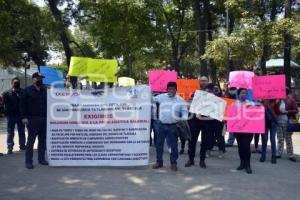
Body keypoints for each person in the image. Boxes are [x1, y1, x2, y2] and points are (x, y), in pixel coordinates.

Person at [152, 82, 188, 171]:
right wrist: (147, 90)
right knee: (159, 144)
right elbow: (151, 99)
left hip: (174, 126)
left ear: (176, 89)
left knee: (173, 146)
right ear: (167, 89)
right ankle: (159, 162)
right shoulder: (161, 97)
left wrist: (182, 120)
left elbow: (185, 112)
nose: (171, 90)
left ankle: (173, 163)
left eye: (173, 89)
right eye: (169, 89)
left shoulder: (180, 100)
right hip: (161, 125)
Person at [20, 72, 48, 169]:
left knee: (42, 141)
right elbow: (22, 105)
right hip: (32, 119)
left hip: (44, 119)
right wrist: (23, 117)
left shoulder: (45, 90)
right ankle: (28, 162)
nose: (41, 80)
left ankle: (41, 159)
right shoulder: (27, 91)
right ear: (34, 79)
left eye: (42, 78)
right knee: (31, 141)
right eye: (39, 78)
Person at [185, 83, 216, 169]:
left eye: (209, 89)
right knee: (192, 141)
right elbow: (189, 104)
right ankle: (191, 159)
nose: (208, 90)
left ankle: (202, 160)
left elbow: (216, 111)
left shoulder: (214, 98)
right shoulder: (195, 93)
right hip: (195, 121)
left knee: (205, 142)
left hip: (207, 122)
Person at [233, 88, 254, 174]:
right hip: (238, 130)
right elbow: (231, 115)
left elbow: (256, 114)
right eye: (242, 93)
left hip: (248, 130)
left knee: (246, 146)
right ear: (238, 94)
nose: (244, 94)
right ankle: (242, 163)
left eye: (245, 93)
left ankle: (248, 165)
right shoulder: (234, 104)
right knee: (240, 147)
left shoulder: (251, 103)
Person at [2, 77, 26, 154]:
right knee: (10, 132)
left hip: (21, 115)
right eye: (15, 82)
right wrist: (4, 113)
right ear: (12, 83)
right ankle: (10, 147)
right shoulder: (6, 93)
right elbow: (3, 104)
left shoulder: (23, 92)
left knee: (21, 131)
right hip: (11, 115)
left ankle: (22, 145)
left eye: (17, 82)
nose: (16, 84)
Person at [274, 88, 298, 162]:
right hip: (278, 122)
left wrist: (287, 111)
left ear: (286, 93)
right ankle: (279, 153)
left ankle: (290, 154)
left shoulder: (291, 100)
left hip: (288, 122)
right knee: (280, 138)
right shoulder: (278, 100)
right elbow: (274, 109)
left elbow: (296, 110)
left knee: (288, 139)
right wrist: (276, 104)